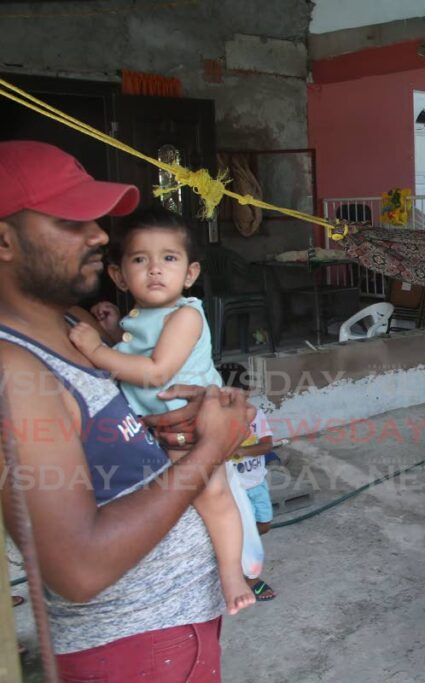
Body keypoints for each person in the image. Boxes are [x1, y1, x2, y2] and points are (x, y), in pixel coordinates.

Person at [0, 140, 254, 681]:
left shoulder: (72, 327)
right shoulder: (12, 369)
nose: (97, 235)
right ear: (4, 240)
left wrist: (172, 425)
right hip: (137, 643)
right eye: (72, 221)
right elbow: (80, 568)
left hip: (174, 624)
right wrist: (213, 446)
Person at [67, 206, 257, 616]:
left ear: (189, 274)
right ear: (119, 276)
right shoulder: (142, 317)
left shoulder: (186, 314)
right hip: (154, 425)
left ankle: (233, 575)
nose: (155, 269)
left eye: (168, 259)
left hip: (192, 422)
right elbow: (138, 350)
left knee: (213, 496)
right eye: (140, 260)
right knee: (170, 498)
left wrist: (96, 350)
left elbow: (155, 372)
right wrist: (117, 330)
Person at [221, 362, 277, 601]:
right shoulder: (219, 419)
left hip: (257, 482)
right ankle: (250, 579)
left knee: (264, 524)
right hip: (235, 488)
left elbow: (267, 445)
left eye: (240, 393)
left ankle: (233, 553)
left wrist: (242, 452)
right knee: (244, 533)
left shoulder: (256, 415)